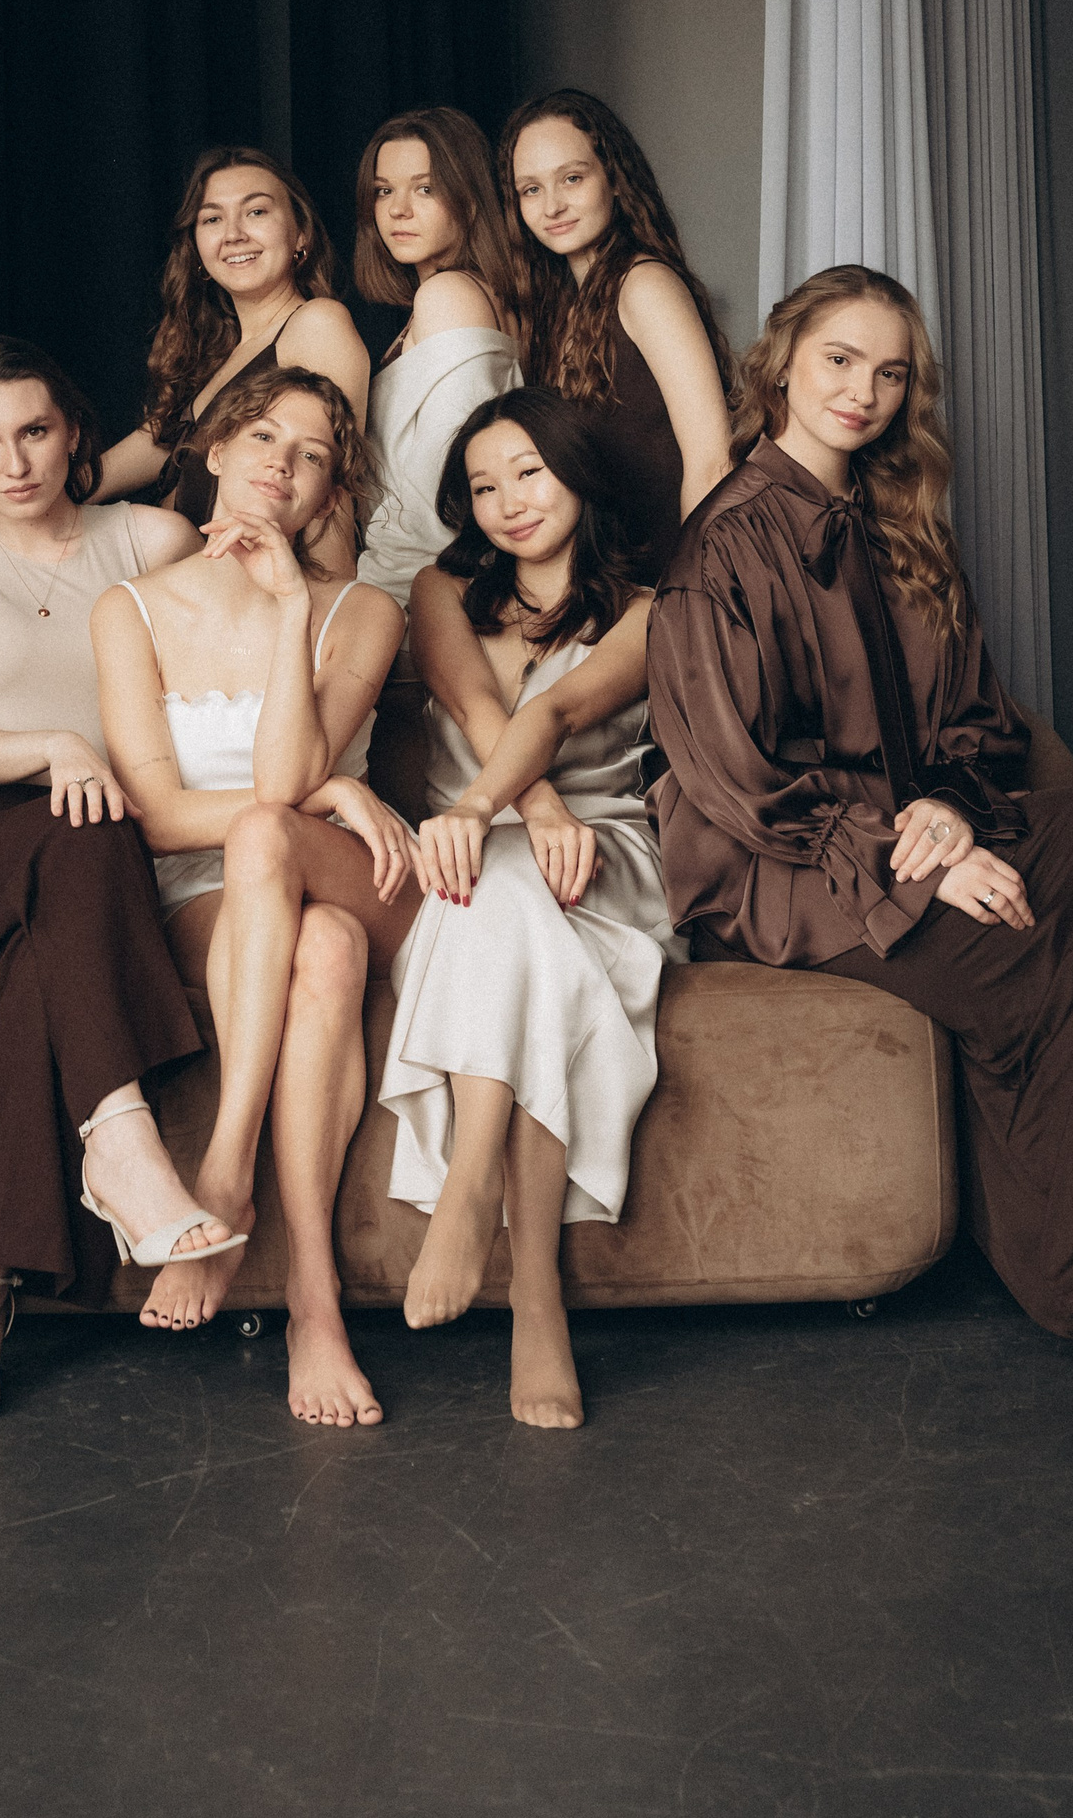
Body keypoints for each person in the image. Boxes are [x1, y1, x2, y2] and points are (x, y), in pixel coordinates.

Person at [648, 264, 1073, 1465]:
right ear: (780, 363)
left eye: (890, 373)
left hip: (902, 829)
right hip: (781, 866)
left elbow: (975, 723)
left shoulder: (902, 521)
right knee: (1038, 951)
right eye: (838, 361)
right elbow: (739, 783)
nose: (863, 391)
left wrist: (947, 812)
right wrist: (908, 859)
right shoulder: (722, 544)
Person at [0, 337, 235, 1436]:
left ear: (75, 432)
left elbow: (228, 665)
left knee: (56, 942)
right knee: (83, 821)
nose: (15, 461)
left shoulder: (152, 539)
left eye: (34, 431)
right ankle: (122, 1149)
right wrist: (60, 748)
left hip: (98, 862)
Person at [92, 365, 413, 1427]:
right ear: (218, 449)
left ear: (329, 494)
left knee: (273, 834)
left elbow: (278, 787)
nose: (284, 463)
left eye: (313, 455)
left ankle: (224, 1169)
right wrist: (332, 789)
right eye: (265, 436)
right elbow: (156, 814)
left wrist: (288, 611)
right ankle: (316, 1303)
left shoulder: (365, 612)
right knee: (324, 953)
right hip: (203, 893)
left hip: (346, 870)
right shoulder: (129, 609)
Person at [380, 389, 680, 1430]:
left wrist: (495, 809)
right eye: (483, 486)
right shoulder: (438, 591)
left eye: (529, 473)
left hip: (600, 852)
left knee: (499, 886)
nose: (509, 501)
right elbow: (478, 707)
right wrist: (511, 812)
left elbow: (557, 710)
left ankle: (472, 1193)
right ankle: (537, 1300)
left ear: (578, 475)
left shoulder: (648, 609)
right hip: (475, 860)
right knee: (498, 896)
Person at [353, 106, 521, 816]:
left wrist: (366, 610)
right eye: (384, 191)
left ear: (469, 197)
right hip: (427, 600)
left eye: (424, 188)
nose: (398, 209)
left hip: (421, 604)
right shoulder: (458, 298)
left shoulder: (449, 294)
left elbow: (449, 491)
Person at [92, 146, 368, 574]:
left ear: (301, 235)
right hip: (187, 584)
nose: (233, 234)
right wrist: (66, 487)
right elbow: (163, 439)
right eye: (212, 219)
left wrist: (329, 600)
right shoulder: (225, 350)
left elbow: (331, 489)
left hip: (257, 594)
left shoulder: (317, 324)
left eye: (256, 212)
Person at [499, 88, 734, 582]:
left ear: (616, 181)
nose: (553, 206)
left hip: (672, 576)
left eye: (572, 178)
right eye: (531, 189)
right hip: (608, 582)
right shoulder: (559, 309)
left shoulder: (644, 285)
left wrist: (693, 594)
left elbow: (713, 461)